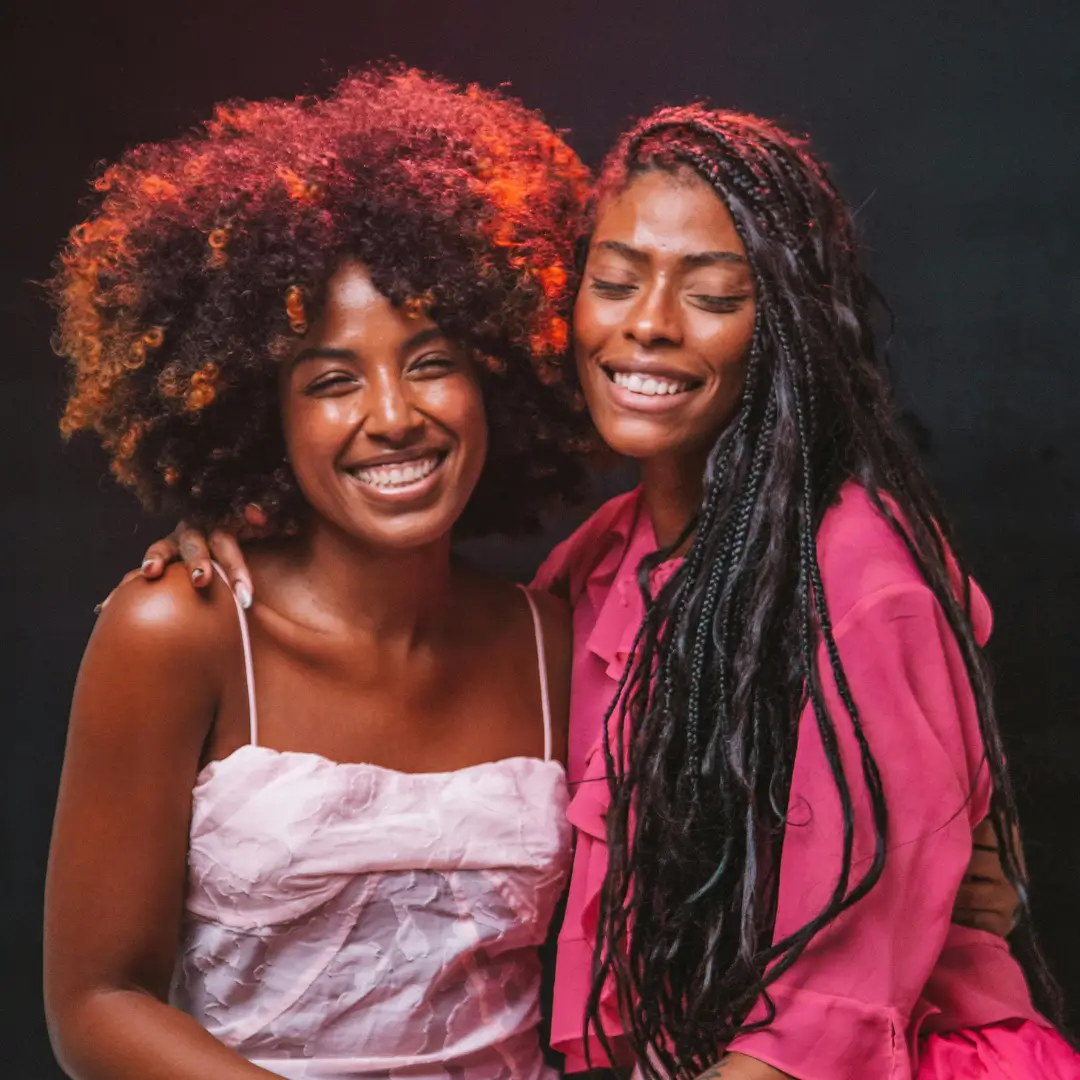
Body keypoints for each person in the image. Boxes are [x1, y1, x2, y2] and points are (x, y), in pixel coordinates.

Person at [129, 105, 1048, 1079]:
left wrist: (976, 862)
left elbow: (820, 1029)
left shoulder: (864, 575)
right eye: (612, 283)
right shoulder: (594, 570)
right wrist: (249, 520)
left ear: (786, 325)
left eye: (713, 294)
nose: (646, 323)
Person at [44, 67, 593, 1080]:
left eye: (431, 361)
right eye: (332, 379)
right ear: (265, 416)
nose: (393, 413)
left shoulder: (558, 642)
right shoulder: (185, 628)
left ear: (500, 379)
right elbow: (96, 1005)